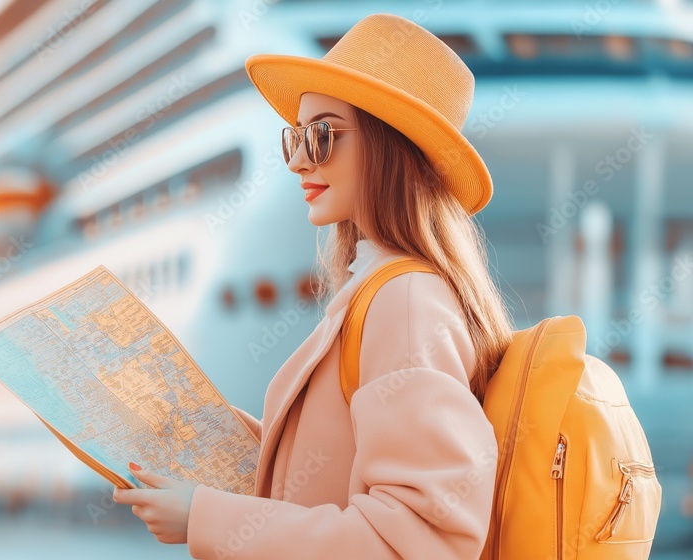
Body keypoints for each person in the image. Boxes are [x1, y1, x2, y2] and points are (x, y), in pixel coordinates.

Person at [112, 12, 515, 559]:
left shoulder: (405, 301)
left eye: (322, 135)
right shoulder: (378, 288)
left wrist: (205, 516)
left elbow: (422, 540)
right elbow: (341, 473)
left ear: (387, 144)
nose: (299, 161)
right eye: (295, 137)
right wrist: (230, 437)